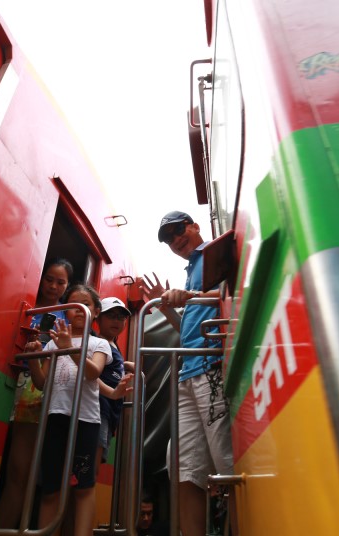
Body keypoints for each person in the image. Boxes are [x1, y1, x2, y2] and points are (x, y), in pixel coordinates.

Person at [143, 210, 236, 536]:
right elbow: (185, 332)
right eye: (168, 238)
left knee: (226, 459)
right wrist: (169, 306)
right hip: (188, 371)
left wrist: (189, 296)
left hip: (210, 367)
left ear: (195, 226)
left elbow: (230, 297)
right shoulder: (190, 272)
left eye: (178, 230)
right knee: (183, 468)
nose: (175, 239)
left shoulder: (214, 254)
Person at [0, 258, 73, 528]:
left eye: (60, 282)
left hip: (37, 387)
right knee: (17, 471)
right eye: (49, 279)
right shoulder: (24, 301)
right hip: (18, 382)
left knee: (25, 471)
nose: (53, 286)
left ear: (67, 286)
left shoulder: (67, 317)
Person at [25, 284, 110, 536]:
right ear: (66, 312)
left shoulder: (98, 343)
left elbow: (93, 372)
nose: (79, 310)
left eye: (85, 304)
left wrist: (70, 348)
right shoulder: (53, 344)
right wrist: (33, 359)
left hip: (85, 420)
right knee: (51, 487)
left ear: (95, 311)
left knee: (83, 487)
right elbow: (42, 383)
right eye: (73, 305)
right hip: (56, 416)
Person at [95, 297, 135, 466]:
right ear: (98, 317)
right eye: (111, 315)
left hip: (110, 412)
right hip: (98, 408)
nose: (116, 321)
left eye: (121, 317)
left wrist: (124, 364)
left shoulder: (113, 345)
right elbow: (88, 373)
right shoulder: (98, 342)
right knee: (89, 468)